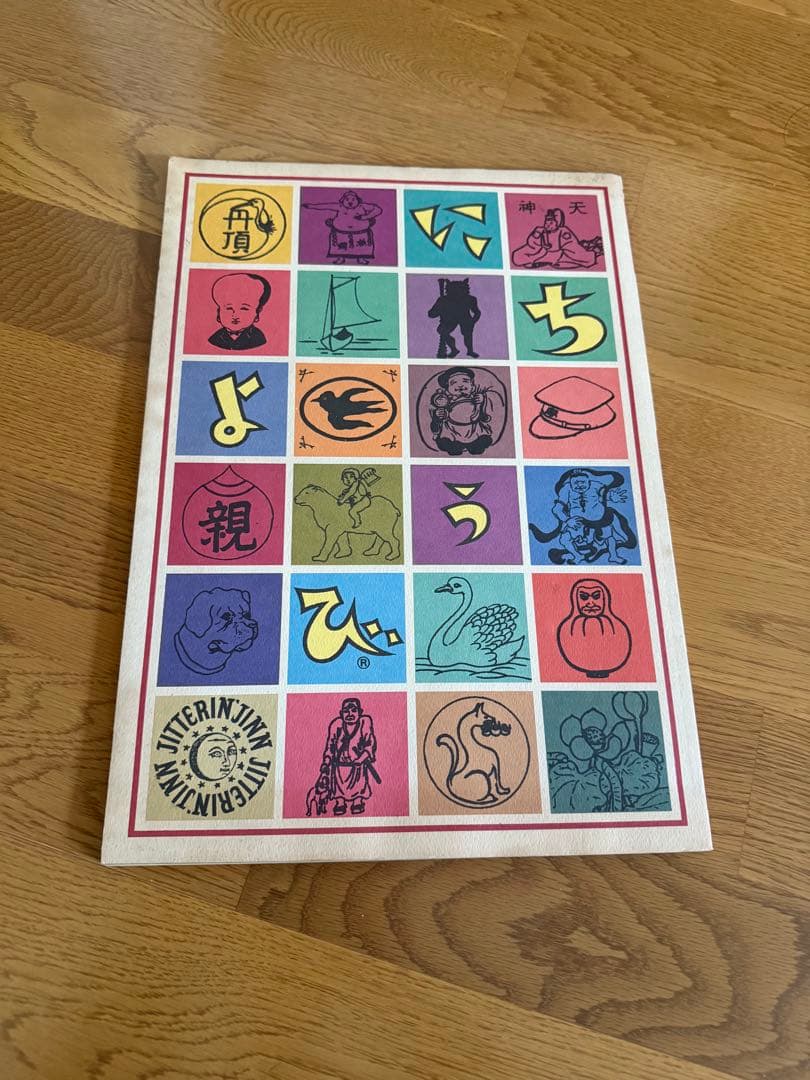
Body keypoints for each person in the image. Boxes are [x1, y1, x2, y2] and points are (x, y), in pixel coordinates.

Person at [320, 698, 378, 815]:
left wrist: (361, 759)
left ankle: (358, 801)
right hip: (339, 766)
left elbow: (369, 744)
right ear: (341, 713)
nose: (350, 714)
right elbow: (330, 746)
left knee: (359, 786)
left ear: (360, 712)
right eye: (346, 711)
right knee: (338, 788)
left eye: (354, 710)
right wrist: (326, 762)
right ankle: (340, 802)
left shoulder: (365, 722)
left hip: (357, 766)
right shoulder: (336, 725)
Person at [429, 366, 497, 455]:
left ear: (472, 386)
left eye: (465, 381)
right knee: (447, 441)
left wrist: (480, 402)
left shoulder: (474, 399)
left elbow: (480, 416)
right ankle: (454, 446)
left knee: (480, 439)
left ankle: (475, 444)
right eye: (454, 382)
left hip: (472, 428)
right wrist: (438, 415)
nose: (460, 385)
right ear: (447, 388)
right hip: (453, 429)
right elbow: (440, 417)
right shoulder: (446, 401)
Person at [302, 190, 382, 263]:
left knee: (361, 246)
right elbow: (325, 206)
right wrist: (310, 206)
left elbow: (378, 210)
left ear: (358, 200)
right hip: (341, 232)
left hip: (361, 232)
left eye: (353, 199)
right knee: (341, 246)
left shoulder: (362, 206)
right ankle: (340, 258)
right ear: (343, 200)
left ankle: (361, 258)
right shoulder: (339, 206)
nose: (350, 202)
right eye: (347, 200)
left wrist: (365, 217)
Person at [511, 208, 603, 269]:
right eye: (546, 222)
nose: (547, 225)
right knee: (516, 256)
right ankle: (539, 261)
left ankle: (591, 251)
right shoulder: (541, 230)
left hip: (560, 254)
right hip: (541, 253)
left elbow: (571, 246)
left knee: (576, 258)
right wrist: (536, 235)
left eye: (551, 223)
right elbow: (531, 245)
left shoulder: (563, 231)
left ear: (557, 223)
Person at [207, 273, 271, 350]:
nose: (235, 315)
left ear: (257, 312)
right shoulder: (215, 338)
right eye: (229, 308)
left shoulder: (258, 338)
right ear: (219, 312)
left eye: (244, 309)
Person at [427, 278, 481, 359]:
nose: (457, 293)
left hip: (465, 318)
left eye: (459, 290)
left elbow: (477, 312)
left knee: (467, 334)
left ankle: (470, 350)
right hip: (450, 319)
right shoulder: (444, 300)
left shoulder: (470, 299)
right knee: (442, 331)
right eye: (455, 291)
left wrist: (473, 321)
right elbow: (431, 314)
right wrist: (440, 309)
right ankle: (454, 349)